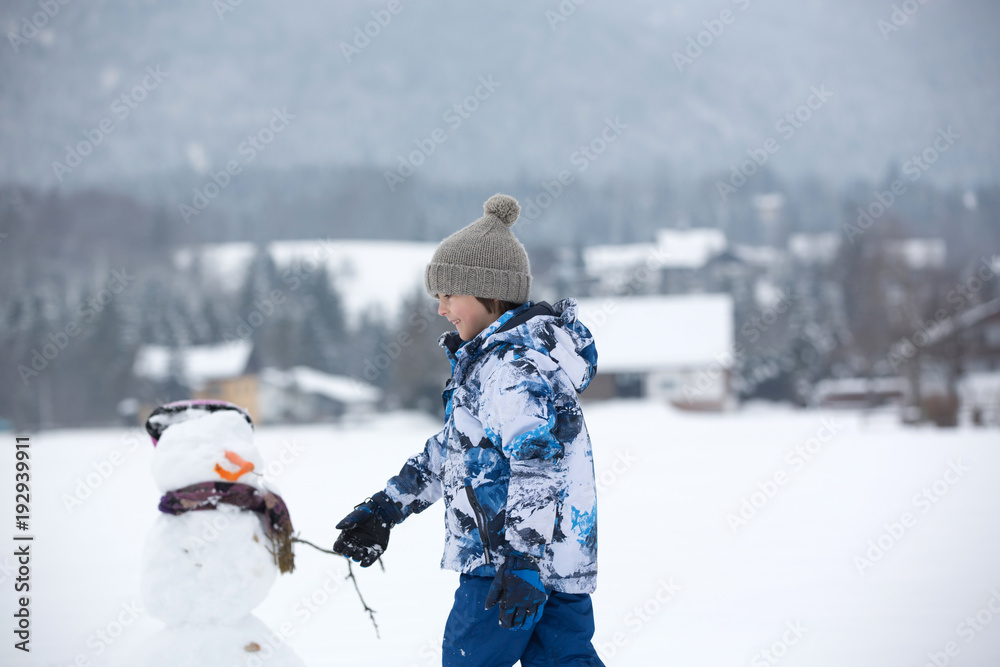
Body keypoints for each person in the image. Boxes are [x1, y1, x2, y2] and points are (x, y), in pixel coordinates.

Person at [333, 193, 604, 666]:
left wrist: (521, 561)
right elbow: (454, 453)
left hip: (504, 567)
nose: (441, 309)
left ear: (489, 292)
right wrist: (385, 508)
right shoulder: (504, 362)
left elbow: (536, 462)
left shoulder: (508, 368)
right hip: (554, 567)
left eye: (448, 295)